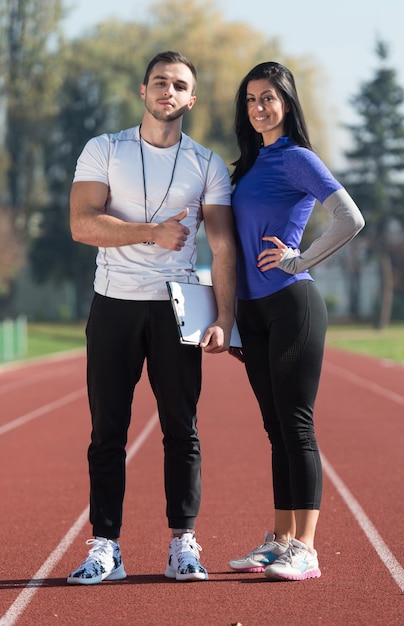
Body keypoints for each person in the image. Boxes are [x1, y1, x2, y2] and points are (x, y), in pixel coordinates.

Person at [66, 51, 236, 585]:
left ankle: (182, 543)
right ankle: (105, 547)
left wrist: (225, 318)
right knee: (106, 431)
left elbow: (224, 247)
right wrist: (151, 233)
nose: (168, 90)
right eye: (159, 82)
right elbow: (82, 224)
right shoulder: (104, 150)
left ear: (190, 99)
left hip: (177, 309)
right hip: (113, 303)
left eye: (179, 84)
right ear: (143, 91)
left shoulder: (206, 163)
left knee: (182, 430)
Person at [228, 61, 365, 581]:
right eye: (250, 99)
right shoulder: (247, 166)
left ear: (286, 102)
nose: (259, 107)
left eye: (268, 97)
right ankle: (281, 539)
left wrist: (298, 259)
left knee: (297, 426)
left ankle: (305, 549)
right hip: (252, 312)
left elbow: (350, 217)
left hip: (291, 304)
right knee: (274, 429)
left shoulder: (297, 158)